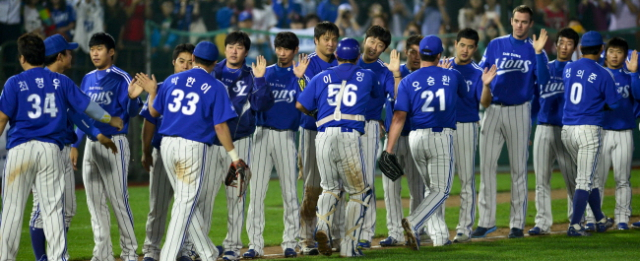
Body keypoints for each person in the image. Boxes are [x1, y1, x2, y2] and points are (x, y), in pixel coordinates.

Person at [0, 33, 121, 261]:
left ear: (22, 58)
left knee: (12, 212)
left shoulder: (13, 82)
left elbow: (1, 120)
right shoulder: (61, 81)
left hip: (20, 150)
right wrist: (109, 119)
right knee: (54, 211)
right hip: (50, 150)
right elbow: (88, 108)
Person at [136, 41, 241, 261]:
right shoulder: (215, 86)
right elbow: (220, 126)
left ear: (193, 58)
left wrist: (153, 92)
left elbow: (153, 112)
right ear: (214, 63)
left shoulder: (172, 80)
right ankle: (167, 256)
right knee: (185, 204)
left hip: (166, 146)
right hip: (191, 147)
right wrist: (234, 156)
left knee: (186, 200)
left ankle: (207, 252)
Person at [385, 35, 480, 249]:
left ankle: (439, 236)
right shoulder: (452, 75)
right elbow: (464, 95)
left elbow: (399, 116)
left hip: (415, 138)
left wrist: (389, 149)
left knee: (431, 189)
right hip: (440, 136)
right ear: (439, 55)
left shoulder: (408, 80)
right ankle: (414, 222)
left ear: (420, 54)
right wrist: (446, 72)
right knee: (441, 190)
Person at [296, 37, 381, 257]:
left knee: (330, 188)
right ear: (358, 57)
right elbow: (376, 95)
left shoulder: (320, 77)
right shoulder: (367, 75)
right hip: (348, 135)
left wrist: (318, 114)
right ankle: (348, 246)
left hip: (323, 135)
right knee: (359, 193)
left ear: (336, 56)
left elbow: (300, 104)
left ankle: (322, 226)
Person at [199, 31, 272, 261]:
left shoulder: (252, 75)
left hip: (240, 141)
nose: (234, 50)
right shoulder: (212, 71)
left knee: (236, 198)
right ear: (225, 48)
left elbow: (262, 105)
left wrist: (260, 79)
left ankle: (232, 247)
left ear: (246, 52)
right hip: (211, 142)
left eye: (239, 47)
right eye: (230, 45)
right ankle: (200, 247)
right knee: (205, 196)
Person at [72, 32, 142, 261]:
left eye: (100, 48)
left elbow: (132, 113)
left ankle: (130, 252)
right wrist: (76, 143)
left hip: (115, 143)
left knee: (118, 199)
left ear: (111, 52)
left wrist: (132, 98)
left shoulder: (121, 77)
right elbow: (84, 114)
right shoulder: (87, 78)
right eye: (92, 48)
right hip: (91, 145)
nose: (94, 52)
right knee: (94, 203)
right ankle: (102, 253)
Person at [473, 5, 539, 239]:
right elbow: (481, 76)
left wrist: (532, 121)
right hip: (492, 109)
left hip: (520, 110)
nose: (520, 25)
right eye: (517, 20)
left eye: (524, 22)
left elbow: (541, 86)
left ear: (530, 24)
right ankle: (486, 221)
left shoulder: (535, 51)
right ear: (511, 21)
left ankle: (516, 224)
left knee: (519, 170)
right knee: (487, 167)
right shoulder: (496, 44)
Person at [243, 32, 307, 259]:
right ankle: (254, 245)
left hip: (287, 136)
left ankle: (290, 242)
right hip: (262, 135)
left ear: (295, 50)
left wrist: (300, 79)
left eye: (286, 49)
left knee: (290, 193)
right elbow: (257, 105)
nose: (281, 52)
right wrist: (259, 79)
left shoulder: (300, 75)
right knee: (257, 193)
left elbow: (304, 105)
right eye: (279, 48)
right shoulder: (264, 72)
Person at [138, 43, 199, 261]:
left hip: (190, 153)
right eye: (181, 61)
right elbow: (149, 122)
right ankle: (152, 250)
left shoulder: (200, 89)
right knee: (158, 205)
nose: (185, 65)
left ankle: (182, 249)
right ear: (173, 62)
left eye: (190, 62)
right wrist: (145, 151)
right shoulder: (161, 87)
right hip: (162, 153)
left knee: (187, 206)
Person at [560, 31, 617, 236]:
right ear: (601, 49)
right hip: (588, 130)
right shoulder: (603, 74)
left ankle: (600, 219)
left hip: (567, 131)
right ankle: (575, 225)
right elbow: (614, 104)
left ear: (580, 47)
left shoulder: (568, 67)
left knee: (588, 178)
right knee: (584, 179)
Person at [528, 28, 580, 236]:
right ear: (555, 44)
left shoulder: (576, 71)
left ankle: (576, 219)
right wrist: (539, 54)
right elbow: (540, 87)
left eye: (568, 43)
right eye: (561, 42)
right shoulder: (545, 65)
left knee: (572, 179)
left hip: (566, 129)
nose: (564, 46)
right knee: (541, 180)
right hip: (543, 128)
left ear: (574, 48)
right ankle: (542, 222)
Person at [584, 38, 638, 231]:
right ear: (605, 53)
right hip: (601, 131)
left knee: (622, 179)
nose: (615, 55)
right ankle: (592, 218)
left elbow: (638, 96)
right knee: (596, 179)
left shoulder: (629, 73)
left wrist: (634, 74)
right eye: (611, 51)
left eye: (619, 52)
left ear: (625, 55)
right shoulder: (597, 73)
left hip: (624, 131)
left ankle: (622, 218)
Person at [298, 21, 341, 255]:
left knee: (336, 186)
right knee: (312, 186)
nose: (330, 43)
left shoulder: (341, 63)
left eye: (333, 39)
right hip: (313, 130)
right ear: (316, 40)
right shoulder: (308, 64)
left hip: (338, 132)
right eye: (326, 38)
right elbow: (307, 102)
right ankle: (306, 238)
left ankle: (329, 234)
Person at [379, 34, 425, 247]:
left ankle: (415, 229)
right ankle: (395, 233)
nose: (416, 56)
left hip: (415, 137)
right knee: (391, 189)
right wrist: (379, 120)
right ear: (407, 51)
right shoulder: (392, 72)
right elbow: (384, 99)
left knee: (418, 189)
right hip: (393, 138)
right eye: (413, 51)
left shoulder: (427, 75)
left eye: (420, 51)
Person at [354, 25, 392, 249]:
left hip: (368, 126)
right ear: (364, 39)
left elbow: (394, 95)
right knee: (342, 181)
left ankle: (366, 233)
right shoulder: (348, 61)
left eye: (380, 45)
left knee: (367, 179)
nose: (374, 47)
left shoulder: (384, 70)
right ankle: (342, 231)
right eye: (372, 41)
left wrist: (395, 73)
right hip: (345, 124)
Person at [447, 28, 484, 243]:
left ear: (475, 48)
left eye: (470, 46)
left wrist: (487, 85)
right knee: (440, 181)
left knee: (466, 179)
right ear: (455, 43)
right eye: (462, 45)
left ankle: (464, 229)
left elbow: (484, 102)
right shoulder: (443, 65)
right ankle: (438, 227)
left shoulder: (478, 72)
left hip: (467, 126)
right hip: (443, 126)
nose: (466, 50)